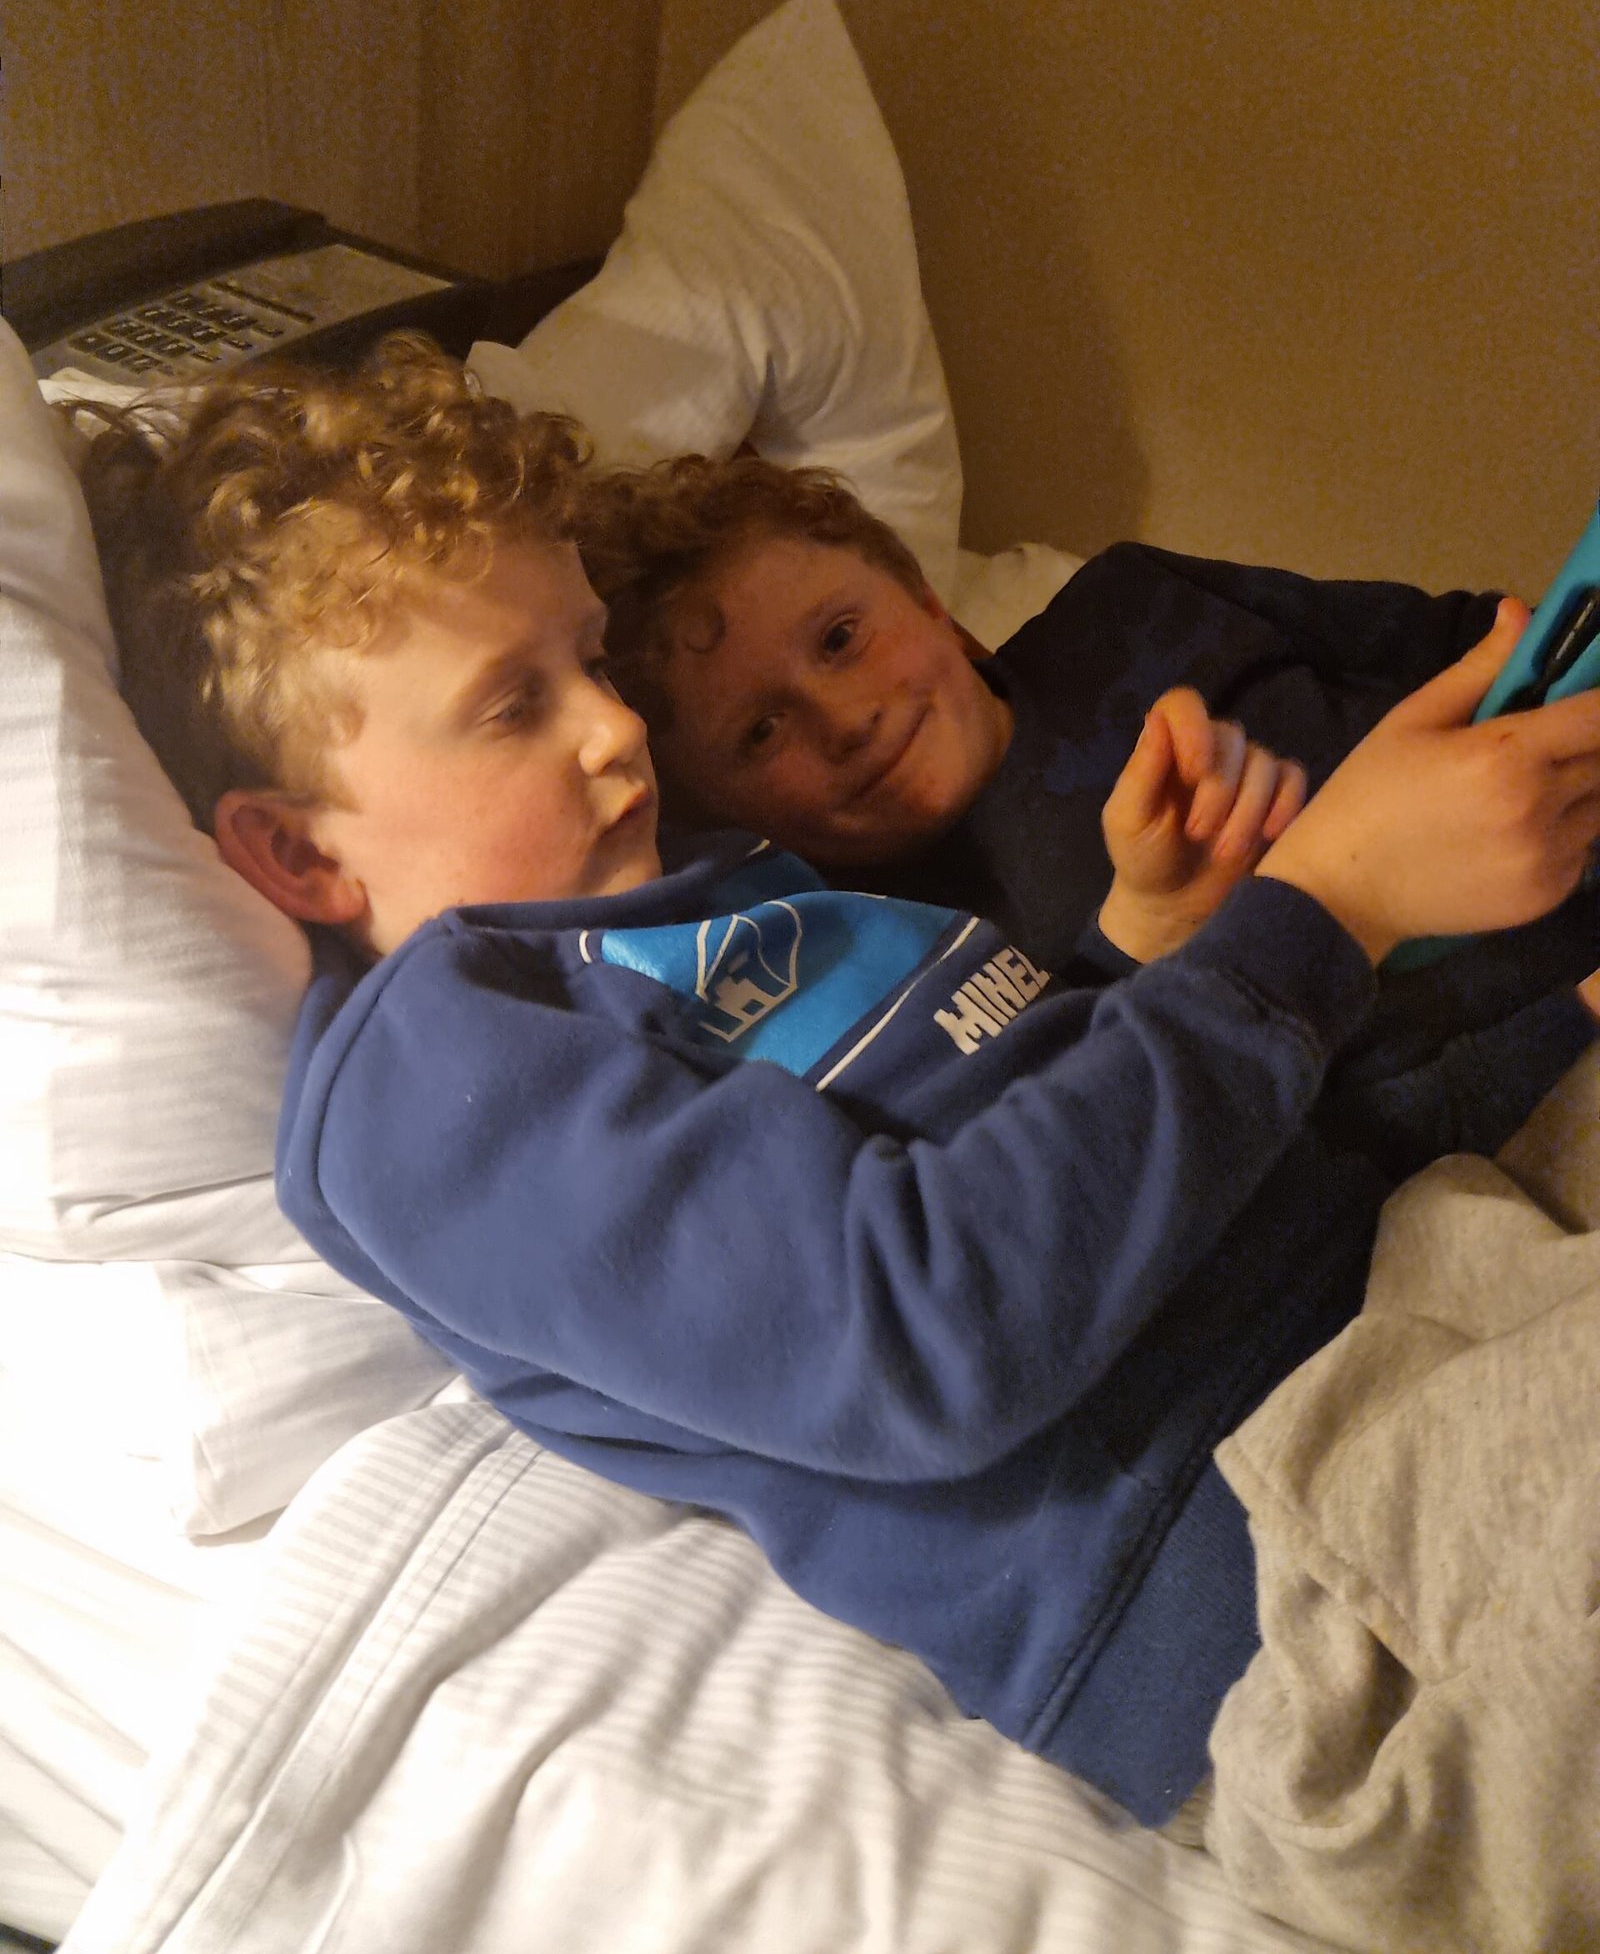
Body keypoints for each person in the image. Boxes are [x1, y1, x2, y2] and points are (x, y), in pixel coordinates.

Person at [76, 336, 1600, 1947]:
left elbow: (1074, 1132)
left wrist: (1204, 964)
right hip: (1299, 1560)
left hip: (1414, 1283)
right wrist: (1321, 911)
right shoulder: (436, 1072)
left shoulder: (719, 891)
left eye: (589, 659)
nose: (612, 730)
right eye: (514, 703)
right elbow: (936, 1328)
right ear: (298, 855)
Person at [576, 453, 1600, 1168]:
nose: (843, 720)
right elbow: (1261, 1151)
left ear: (930, 603)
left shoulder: (1131, 601)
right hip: (1533, 1065)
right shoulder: (908, 962)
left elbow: (1463, 641)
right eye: (760, 732)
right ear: (722, 815)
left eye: (841, 638)